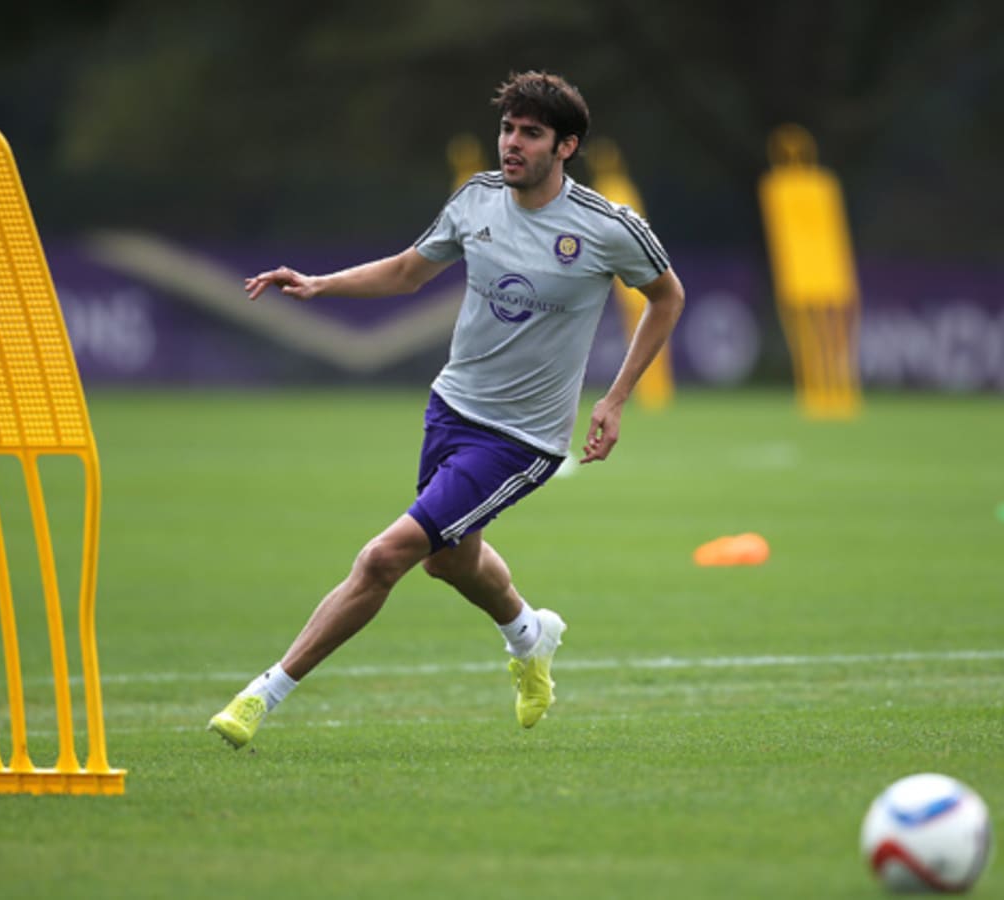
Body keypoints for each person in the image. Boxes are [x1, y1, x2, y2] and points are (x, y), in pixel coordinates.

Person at [208, 71, 685, 747]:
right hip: (451, 408)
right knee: (449, 560)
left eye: (531, 133)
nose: (512, 144)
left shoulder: (607, 228)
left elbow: (668, 297)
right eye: (508, 129)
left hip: (522, 440)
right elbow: (408, 270)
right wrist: (320, 284)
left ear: (566, 147)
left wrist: (615, 396)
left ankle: (261, 696)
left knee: (386, 557)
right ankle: (530, 635)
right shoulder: (477, 199)